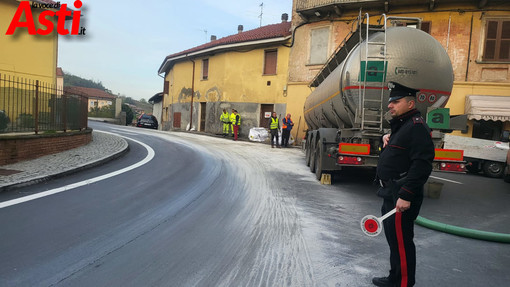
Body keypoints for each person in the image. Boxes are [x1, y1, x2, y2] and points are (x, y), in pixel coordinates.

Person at [372, 81, 435, 287]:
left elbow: (422, 165)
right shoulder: (403, 125)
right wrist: (386, 138)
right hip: (390, 192)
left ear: (410, 104)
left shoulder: (416, 127)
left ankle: (403, 284)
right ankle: (395, 277)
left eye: (396, 102)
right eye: (390, 102)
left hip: (401, 194)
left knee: (402, 242)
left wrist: (406, 195)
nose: (390, 105)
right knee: (394, 240)